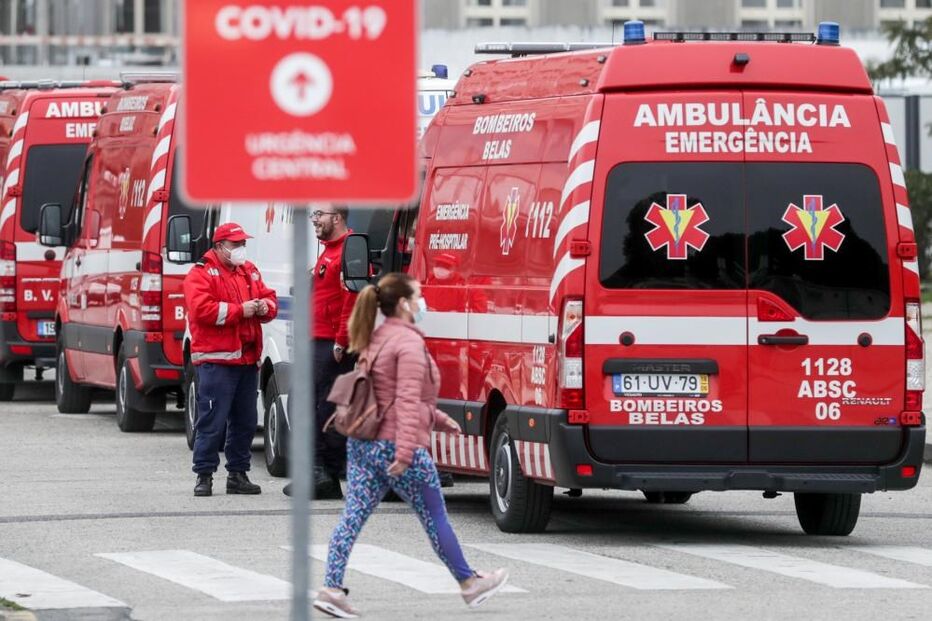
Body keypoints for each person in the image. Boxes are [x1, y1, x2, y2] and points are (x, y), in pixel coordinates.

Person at [312, 273, 508, 618]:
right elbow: (403, 401)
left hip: (363, 443)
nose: (422, 303)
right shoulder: (409, 343)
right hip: (394, 445)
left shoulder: (376, 338)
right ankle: (469, 583)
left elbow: (385, 394)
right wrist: (405, 453)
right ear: (403, 304)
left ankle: (331, 588)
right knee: (434, 514)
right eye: (418, 296)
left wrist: (436, 418)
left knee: (352, 516)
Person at [184, 222, 278, 497]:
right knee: (212, 421)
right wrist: (242, 310)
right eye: (236, 244)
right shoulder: (200, 274)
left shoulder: (248, 271)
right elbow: (202, 310)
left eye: (242, 244)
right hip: (216, 361)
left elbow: (269, 299)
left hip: (246, 360)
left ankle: (238, 474)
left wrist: (262, 307)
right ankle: (204, 475)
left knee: (246, 421)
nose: (241, 249)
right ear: (219, 246)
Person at [284, 206, 357, 500]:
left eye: (320, 214)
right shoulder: (328, 251)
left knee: (323, 409)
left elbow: (352, 300)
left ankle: (321, 473)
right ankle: (320, 473)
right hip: (318, 340)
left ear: (337, 217)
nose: (314, 219)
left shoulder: (348, 252)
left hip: (331, 343)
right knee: (316, 407)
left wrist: (341, 341)